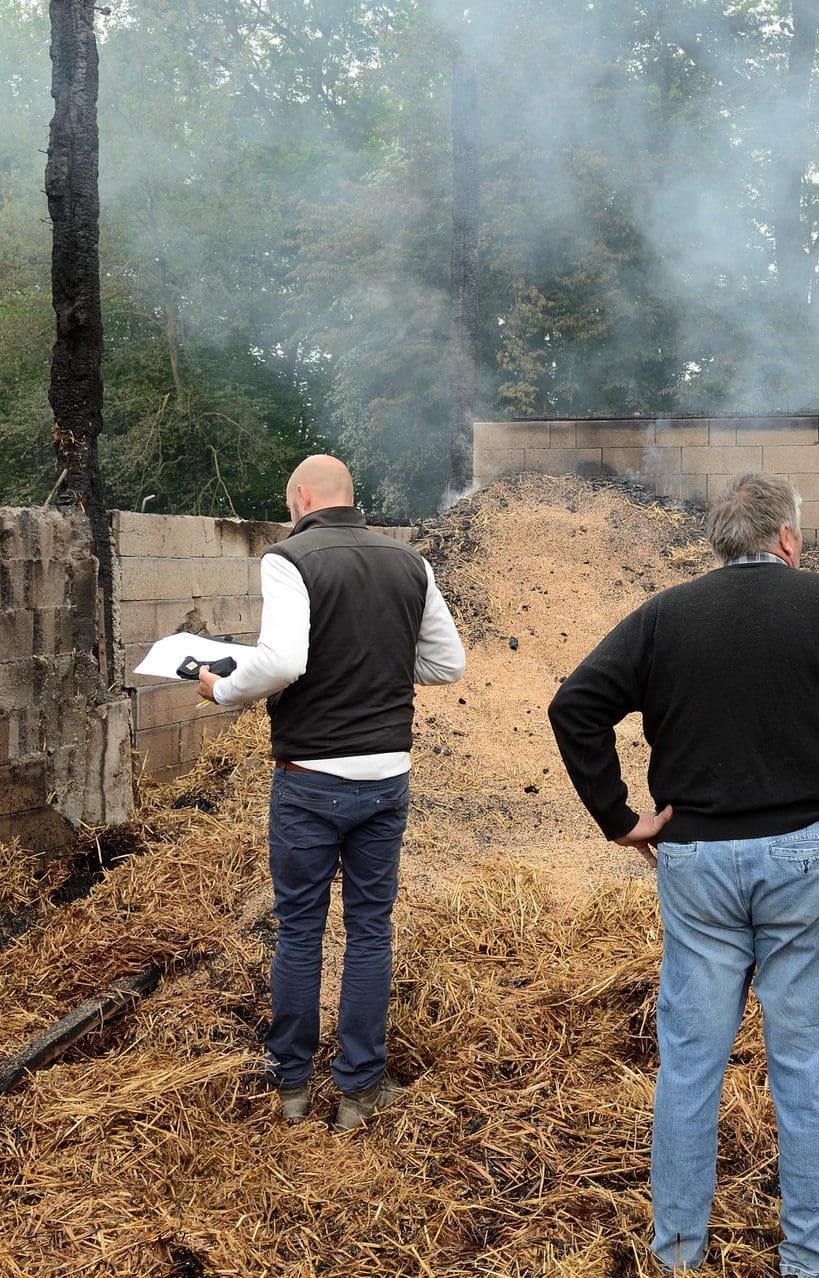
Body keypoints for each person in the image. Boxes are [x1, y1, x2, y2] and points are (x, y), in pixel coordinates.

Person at [548, 473, 819, 1278]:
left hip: (694, 860)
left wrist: (619, 817)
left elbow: (576, 707)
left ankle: (677, 1253)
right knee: (806, 1067)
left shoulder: (667, 615)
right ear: (788, 539)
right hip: (811, 855)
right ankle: (808, 1256)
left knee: (691, 1062)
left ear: (723, 542)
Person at [197, 454, 465, 1130]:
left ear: (304, 497)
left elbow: (284, 660)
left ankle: (291, 1088)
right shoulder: (411, 564)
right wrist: (371, 657)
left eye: (292, 506)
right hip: (384, 779)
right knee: (369, 931)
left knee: (301, 931)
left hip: (311, 780)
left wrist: (222, 686)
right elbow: (445, 662)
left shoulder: (291, 558)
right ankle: (359, 1092)